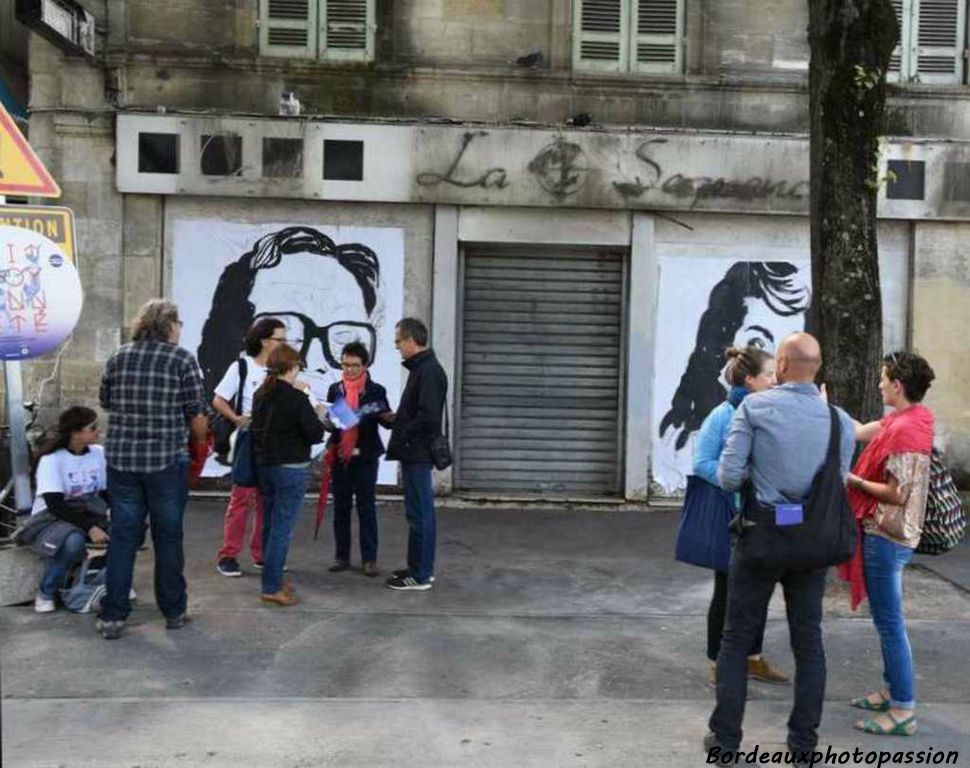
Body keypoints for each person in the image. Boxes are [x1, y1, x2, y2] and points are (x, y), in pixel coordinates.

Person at [705, 333, 855, 757]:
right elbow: (838, 483)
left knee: (736, 639)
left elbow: (728, 477)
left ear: (784, 366)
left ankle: (727, 743)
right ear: (817, 369)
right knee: (808, 641)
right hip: (812, 543)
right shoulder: (838, 420)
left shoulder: (755, 408)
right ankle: (803, 746)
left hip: (762, 539)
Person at [96, 299, 209, 641]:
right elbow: (198, 414)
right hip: (164, 462)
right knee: (168, 536)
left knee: (123, 536)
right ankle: (173, 611)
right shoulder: (181, 359)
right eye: (178, 324)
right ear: (170, 325)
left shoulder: (119, 356)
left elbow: (105, 401)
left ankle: (113, 615)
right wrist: (199, 446)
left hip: (122, 461)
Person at [842, 352, 935, 737]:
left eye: (883, 379)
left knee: (890, 624)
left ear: (898, 385)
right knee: (886, 622)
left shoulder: (904, 431)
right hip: (892, 535)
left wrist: (853, 481)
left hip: (888, 536)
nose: (879, 384)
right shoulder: (908, 419)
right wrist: (820, 407)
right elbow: (859, 430)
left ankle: (902, 709)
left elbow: (897, 494)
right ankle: (893, 690)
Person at [196, 226, 382, 403]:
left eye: (344, 337)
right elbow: (220, 401)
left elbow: (341, 419)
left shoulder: (315, 391)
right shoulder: (246, 375)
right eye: (291, 338)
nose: (314, 361)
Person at [692, 346, 789, 687]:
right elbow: (701, 463)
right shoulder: (722, 415)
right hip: (731, 518)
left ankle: (752, 658)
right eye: (769, 376)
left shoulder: (768, 410)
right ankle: (717, 664)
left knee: (760, 589)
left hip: (761, 516)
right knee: (728, 592)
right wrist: (740, 475)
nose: (775, 382)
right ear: (750, 380)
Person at [213, 317, 289, 578]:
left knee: (267, 500)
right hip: (249, 438)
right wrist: (236, 419)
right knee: (241, 498)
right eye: (280, 339)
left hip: (275, 441)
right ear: (265, 341)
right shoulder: (242, 367)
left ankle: (262, 554)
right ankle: (228, 555)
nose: (285, 344)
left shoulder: (282, 368)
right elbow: (218, 399)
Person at [251, 344, 325, 607]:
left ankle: (271, 579)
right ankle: (271, 586)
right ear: (291, 368)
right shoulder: (296, 398)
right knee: (282, 529)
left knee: (271, 525)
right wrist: (316, 412)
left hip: (265, 468)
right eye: (297, 368)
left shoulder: (261, 394)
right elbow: (316, 433)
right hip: (291, 469)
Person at [384, 318, 447, 591]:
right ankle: (417, 567)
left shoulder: (428, 371)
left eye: (398, 340)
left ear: (411, 340)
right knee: (417, 513)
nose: (396, 346)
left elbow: (429, 418)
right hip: (414, 451)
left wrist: (403, 430)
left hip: (418, 453)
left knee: (421, 514)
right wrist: (393, 420)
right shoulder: (422, 369)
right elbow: (417, 412)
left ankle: (421, 575)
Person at [27, 407, 109, 613]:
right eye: (92, 428)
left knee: (127, 531)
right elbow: (55, 505)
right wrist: (90, 527)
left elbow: (106, 492)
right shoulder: (52, 460)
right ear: (75, 432)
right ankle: (46, 592)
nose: (98, 432)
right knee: (73, 541)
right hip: (53, 517)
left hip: (89, 511)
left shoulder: (98, 454)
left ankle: (103, 582)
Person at [324, 341, 391, 577]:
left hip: (366, 457)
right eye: (345, 364)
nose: (349, 369)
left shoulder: (376, 390)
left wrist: (394, 416)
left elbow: (385, 419)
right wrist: (327, 420)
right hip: (341, 457)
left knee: (366, 508)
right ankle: (341, 556)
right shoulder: (335, 389)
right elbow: (330, 423)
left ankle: (369, 559)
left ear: (364, 365)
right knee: (341, 508)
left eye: (354, 365)